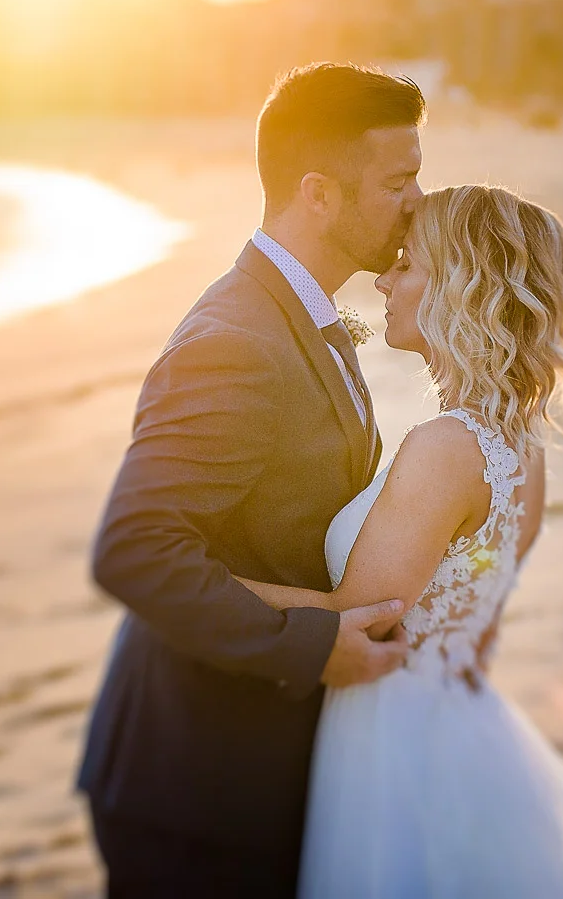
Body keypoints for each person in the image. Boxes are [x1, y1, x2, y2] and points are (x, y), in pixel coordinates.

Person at [238, 183, 563, 897]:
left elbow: (361, 616)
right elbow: (478, 617)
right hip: (460, 723)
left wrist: (202, 582)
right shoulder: (523, 445)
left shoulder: (448, 447)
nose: (383, 280)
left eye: (407, 265)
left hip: (401, 746)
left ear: (460, 287)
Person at [76, 62, 426, 897]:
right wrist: (316, 645)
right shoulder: (236, 340)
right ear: (319, 193)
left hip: (251, 774)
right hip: (195, 790)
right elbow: (135, 551)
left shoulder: (301, 315)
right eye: (398, 181)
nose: (417, 201)